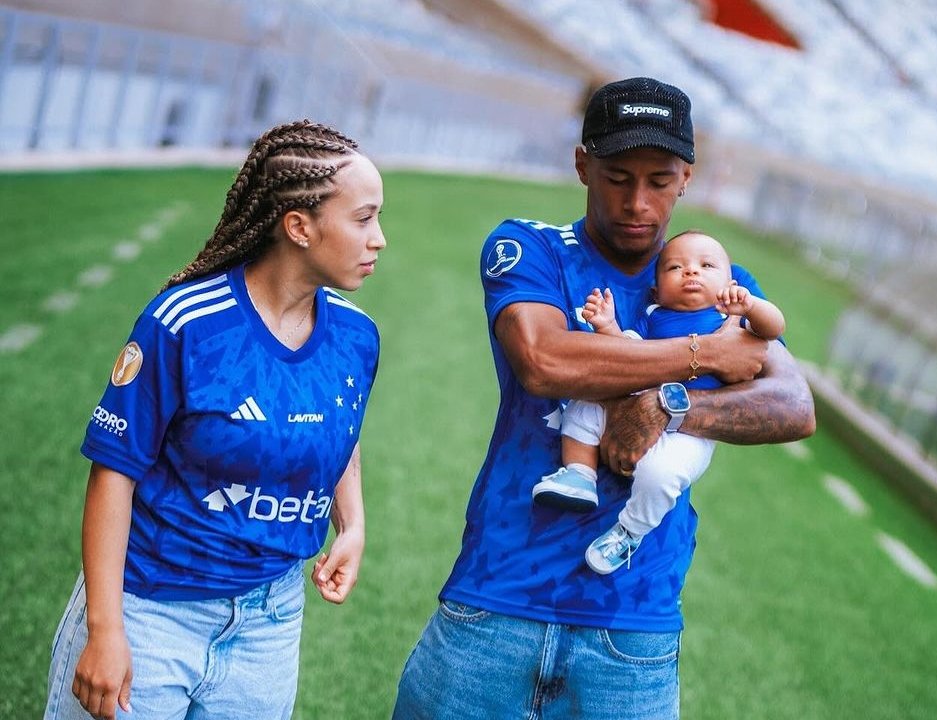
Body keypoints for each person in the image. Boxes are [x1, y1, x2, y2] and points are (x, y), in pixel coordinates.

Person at [392, 77, 815, 719]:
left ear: (687, 178)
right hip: (499, 598)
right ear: (582, 165)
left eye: (660, 181)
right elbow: (544, 360)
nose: (637, 202)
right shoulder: (529, 247)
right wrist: (706, 354)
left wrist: (669, 406)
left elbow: (793, 405)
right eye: (618, 177)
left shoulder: (717, 278)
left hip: (633, 621)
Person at [44, 119, 385, 720]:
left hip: (270, 625)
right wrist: (106, 630)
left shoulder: (357, 336)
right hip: (151, 611)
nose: (379, 239)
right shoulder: (187, 323)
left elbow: (339, 427)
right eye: (363, 219)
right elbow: (114, 473)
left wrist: (351, 523)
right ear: (299, 226)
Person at [533, 230, 786, 574]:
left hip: (690, 430)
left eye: (706, 266)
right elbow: (628, 351)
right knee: (585, 403)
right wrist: (608, 326)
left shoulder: (731, 318)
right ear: (656, 290)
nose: (691, 271)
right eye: (675, 268)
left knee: (662, 475)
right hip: (638, 397)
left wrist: (752, 306)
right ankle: (579, 473)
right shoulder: (653, 315)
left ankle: (629, 531)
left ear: (730, 283)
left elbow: (774, 328)